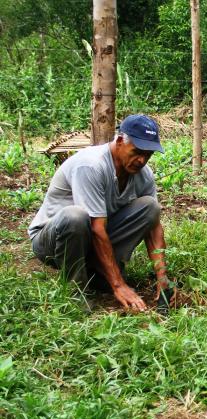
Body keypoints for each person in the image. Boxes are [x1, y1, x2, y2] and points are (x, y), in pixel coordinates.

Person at [28, 114, 176, 312]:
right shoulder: (91, 165)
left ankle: (97, 273)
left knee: (151, 208)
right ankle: (75, 290)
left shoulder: (143, 175)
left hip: (91, 238)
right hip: (51, 241)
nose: (142, 160)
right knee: (76, 216)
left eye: (148, 154)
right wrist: (118, 285)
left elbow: (154, 229)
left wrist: (163, 279)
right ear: (121, 140)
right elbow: (97, 228)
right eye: (137, 151)